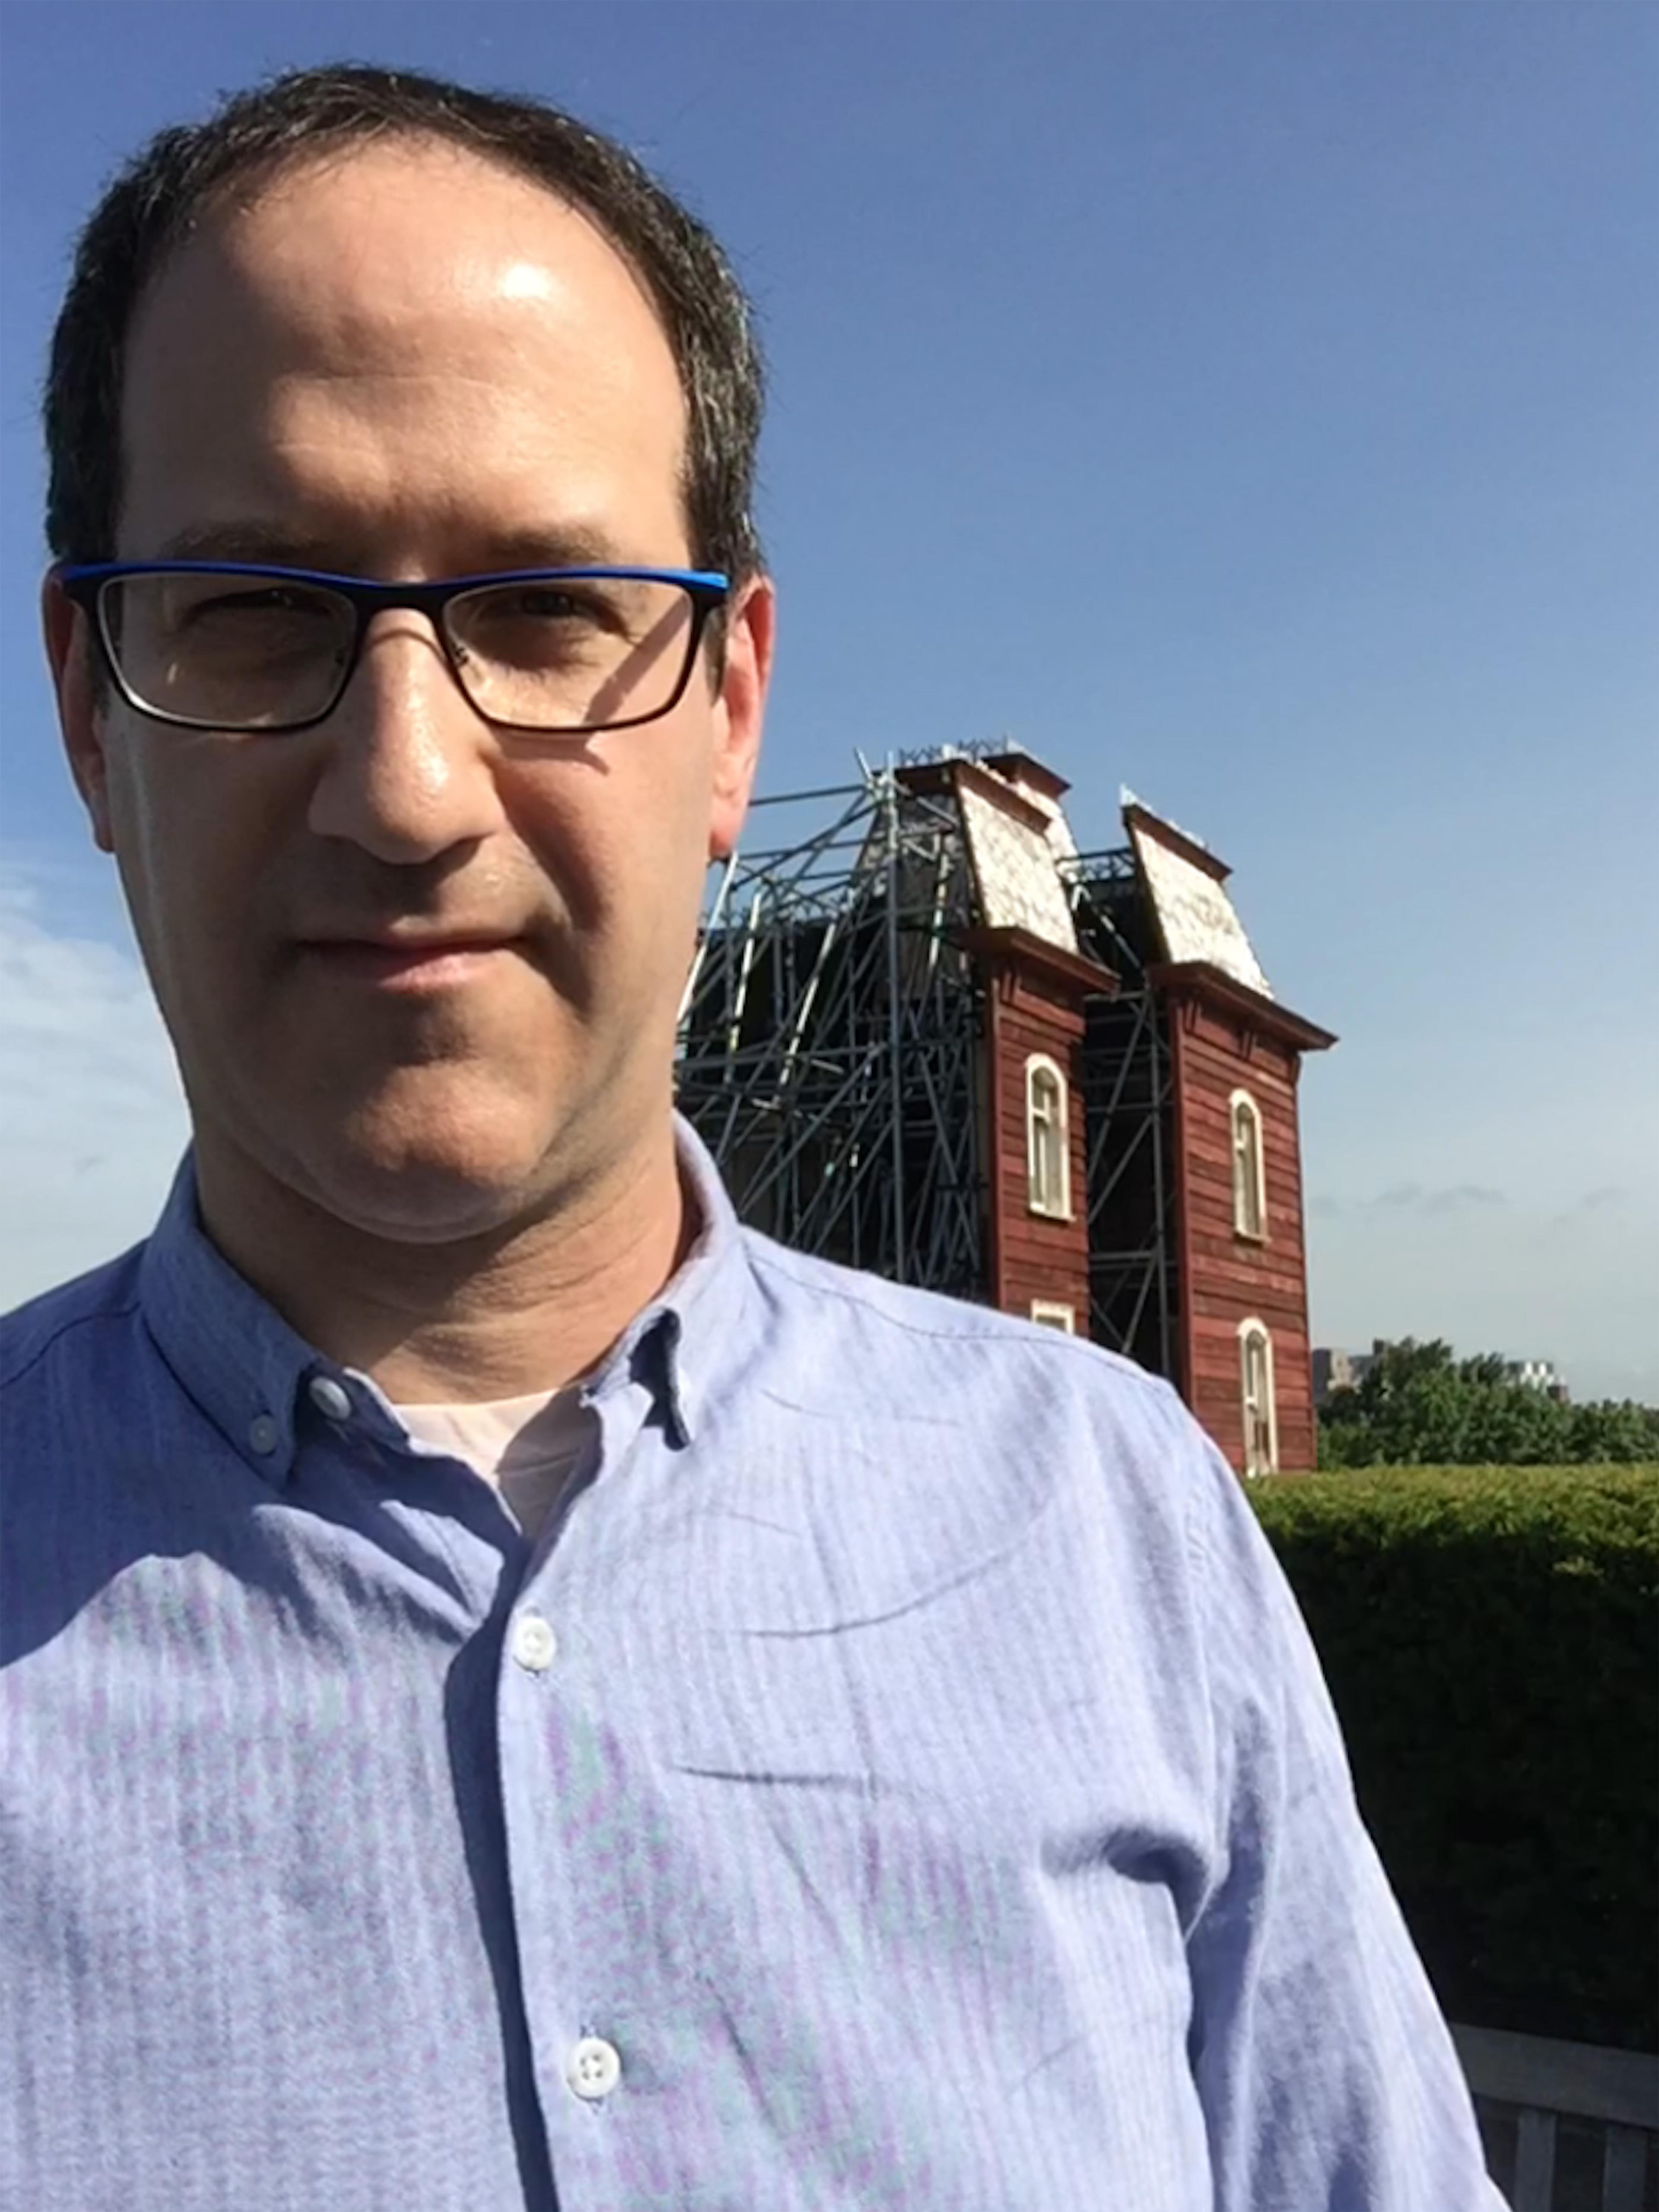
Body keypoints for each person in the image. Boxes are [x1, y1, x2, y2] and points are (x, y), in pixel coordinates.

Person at [1, 64, 1504, 2212]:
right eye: (259, 610)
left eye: (544, 607)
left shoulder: (1119, 1532)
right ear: (86, 706)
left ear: (729, 712)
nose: (409, 787)